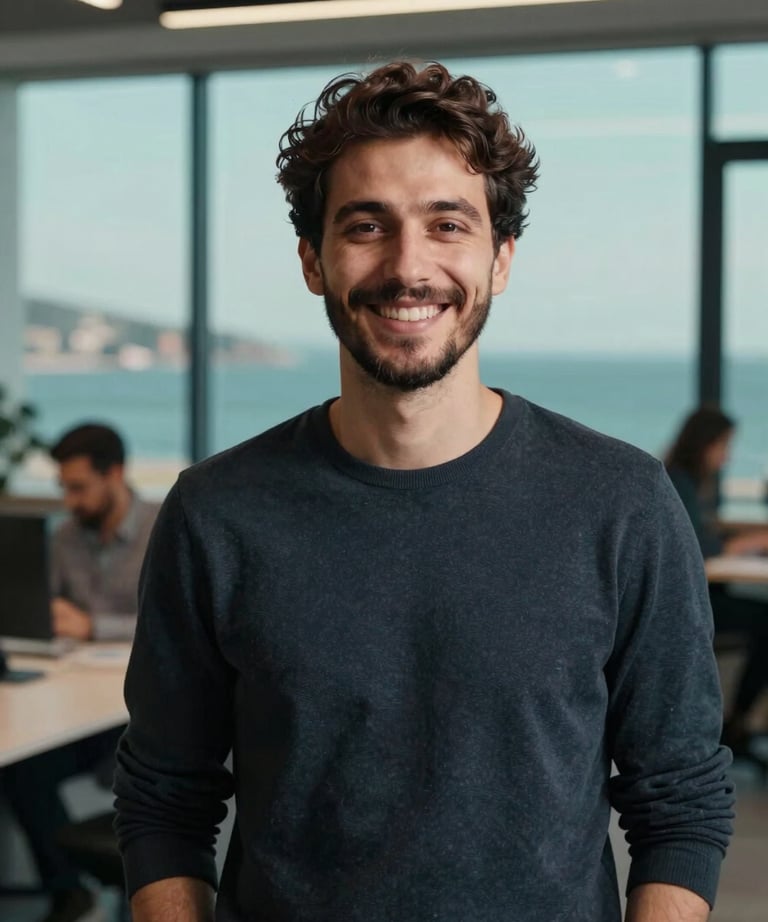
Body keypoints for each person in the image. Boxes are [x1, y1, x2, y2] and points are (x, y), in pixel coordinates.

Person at [114, 62, 734, 922]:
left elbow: (681, 797)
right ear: (312, 260)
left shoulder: (623, 503)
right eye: (366, 226)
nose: (409, 267)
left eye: (449, 224)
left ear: (501, 258)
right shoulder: (217, 513)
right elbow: (165, 800)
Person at [1, 423, 157, 922]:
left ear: (114, 474)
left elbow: (172, 623)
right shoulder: (67, 537)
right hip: (76, 700)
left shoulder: (164, 526)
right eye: (63, 488)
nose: (69, 501)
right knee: (22, 769)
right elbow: (47, 614)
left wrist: (94, 625)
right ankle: (71, 891)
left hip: (137, 714)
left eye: (79, 488)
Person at [665, 405, 768, 764]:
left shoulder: (689, 483)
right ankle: (738, 724)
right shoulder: (678, 481)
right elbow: (699, 547)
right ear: (705, 445)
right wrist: (752, 543)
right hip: (689, 607)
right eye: (723, 446)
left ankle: (739, 723)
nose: (726, 457)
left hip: (703, 597)